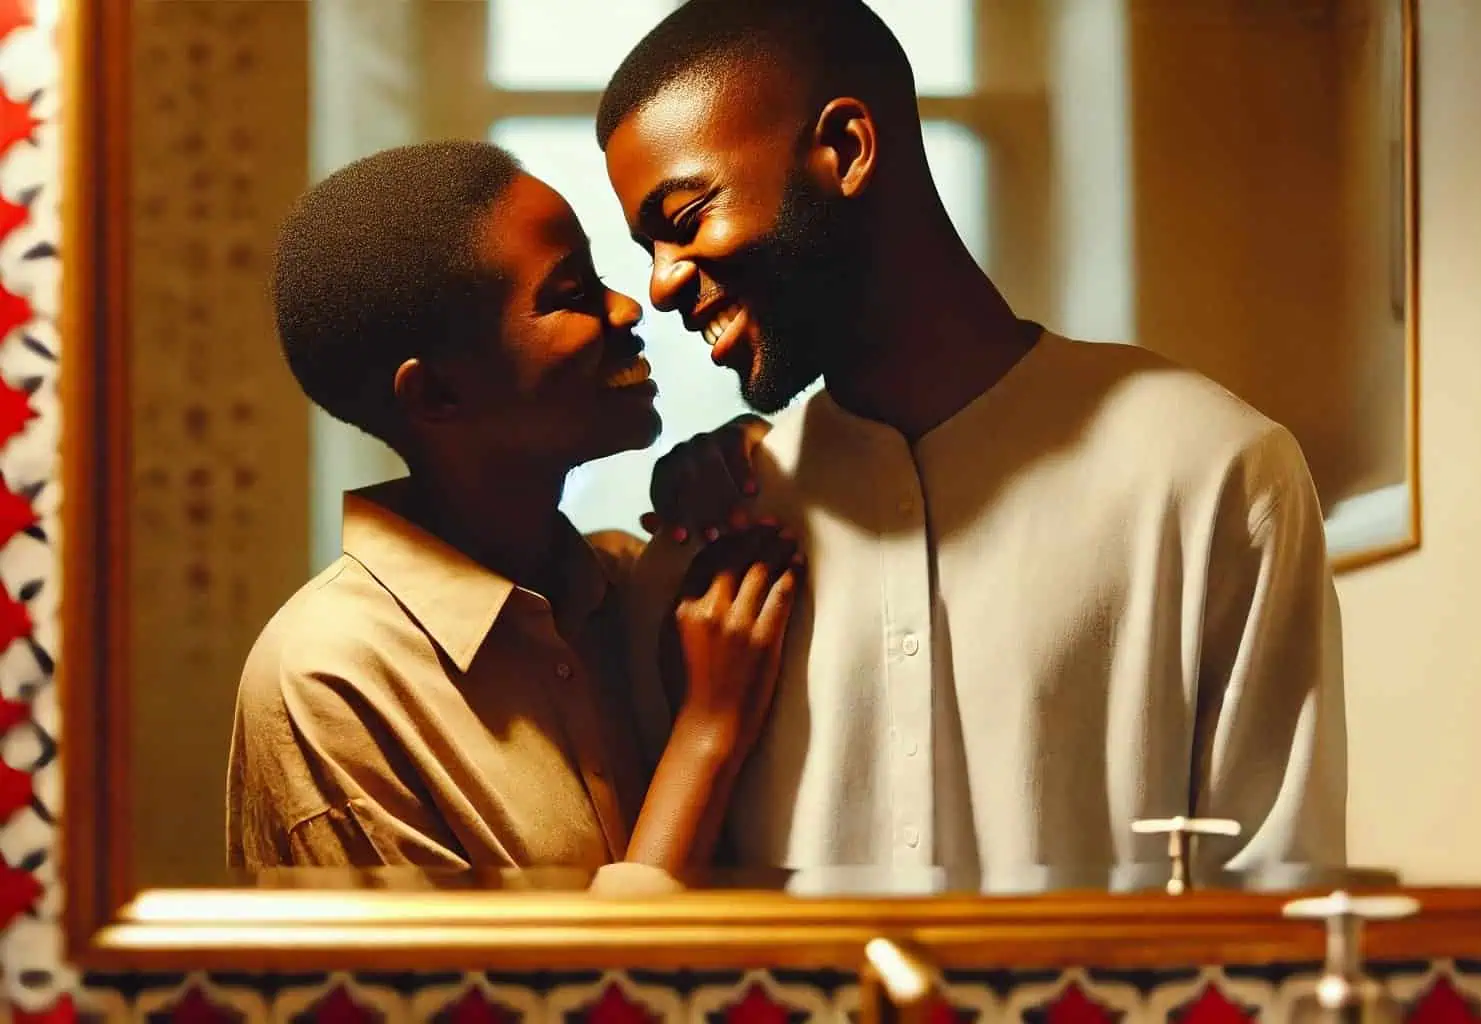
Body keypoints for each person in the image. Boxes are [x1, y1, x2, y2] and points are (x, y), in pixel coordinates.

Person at [599, 0, 1346, 888]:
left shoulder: (1212, 472)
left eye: (684, 218)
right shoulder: (711, 534)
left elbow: (1278, 899)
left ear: (843, 148)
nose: (659, 285)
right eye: (647, 246)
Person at [225, 140, 801, 887]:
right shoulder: (326, 680)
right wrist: (707, 733)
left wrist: (750, 464)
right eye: (571, 294)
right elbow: (493, 1003)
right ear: (436, 396)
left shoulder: (622, 588)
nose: (630, 308)